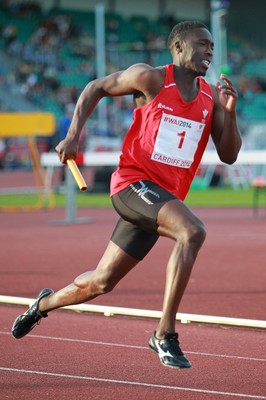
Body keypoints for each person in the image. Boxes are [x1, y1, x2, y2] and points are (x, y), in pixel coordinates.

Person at [12, 21, 242, 369]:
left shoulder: (210, 96)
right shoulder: (150, 78)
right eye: (202, 43)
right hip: (133, 184)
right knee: (192, 231)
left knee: (101, 282)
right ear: (178, 48)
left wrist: (229, 112)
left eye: (212, 45)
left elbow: (228, 155)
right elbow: (95, 87)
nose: (210, 50)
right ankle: (164, 334)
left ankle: (42, 305)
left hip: (161, 199)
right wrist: (73, 135)